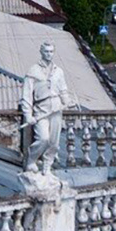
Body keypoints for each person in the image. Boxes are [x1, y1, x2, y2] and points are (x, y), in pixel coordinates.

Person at [20, 41, 76, 175]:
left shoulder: (58, 71)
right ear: (41, 52)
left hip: (56, 109)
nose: (49, 54)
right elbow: (27, 95)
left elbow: (63, 90)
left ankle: (47, 167)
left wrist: (67, 101)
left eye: (51, 51)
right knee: (43, 138)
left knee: (54, 143)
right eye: (46, 51)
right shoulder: (33, 71)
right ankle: (31, 160)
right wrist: (28, 115)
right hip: (41, 110)